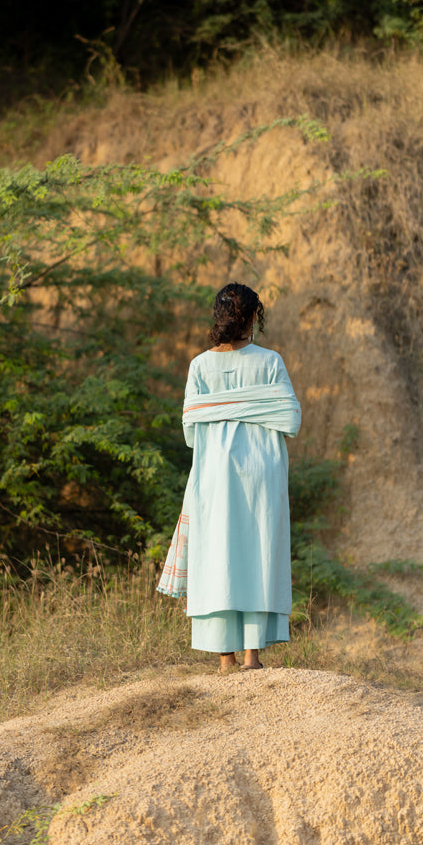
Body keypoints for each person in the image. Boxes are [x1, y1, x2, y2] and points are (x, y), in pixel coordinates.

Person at [158, 282, 301, 673]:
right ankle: (253, 657)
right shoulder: (270, 362)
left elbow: (191, 433)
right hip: (263, 472)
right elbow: (290, 420)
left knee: (220, 555)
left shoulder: (199, 366)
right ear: (252, 317)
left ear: (218, 317)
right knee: (258, 553)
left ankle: (226, 659)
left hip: (216, 473)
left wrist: (222, 414)